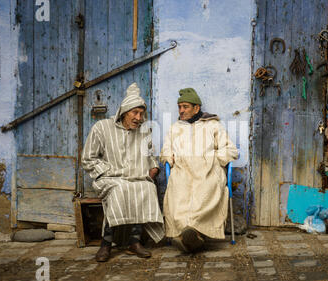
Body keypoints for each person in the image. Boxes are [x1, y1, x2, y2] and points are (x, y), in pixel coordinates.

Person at [82, 82, 164, 262]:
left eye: (141, 114)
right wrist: (107, 171)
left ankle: (134, 242)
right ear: (124, 112)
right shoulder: (102, 128)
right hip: (110, 179)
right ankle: (106, 243)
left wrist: (154, 167)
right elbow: (88, 158)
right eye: (135, 113)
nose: (139, 117)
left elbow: (150, 156)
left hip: (136, 177)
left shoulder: (143, 132)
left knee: (146, 189)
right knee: (120, 190)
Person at [160, 88, 238, 253]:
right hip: (182, 169)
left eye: (185, 106)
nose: (181, 110)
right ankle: (190, 235)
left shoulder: (213, 125)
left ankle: (191, 234)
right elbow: (166, 151)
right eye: (179, 107)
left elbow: (230, 150)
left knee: (205, 190)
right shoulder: (175, 128)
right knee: (178, 191)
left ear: (196, 108)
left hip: (208, 169)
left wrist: (213, 158)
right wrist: (169, 157)